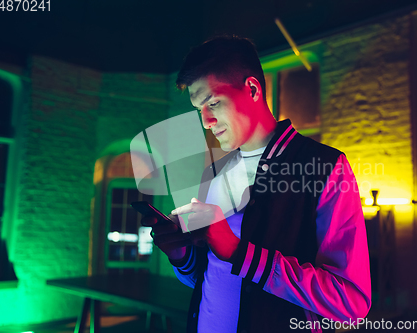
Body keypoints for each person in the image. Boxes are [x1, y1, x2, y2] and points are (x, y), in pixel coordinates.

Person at [144, 36, 371, 333]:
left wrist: (241, 254)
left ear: (252, 89)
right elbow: (210, 276)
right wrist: (181, 256)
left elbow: (350, 302)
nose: (206, 122)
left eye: (213, 102)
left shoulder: (326, 167)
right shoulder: (213, 173)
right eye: (199, 110)